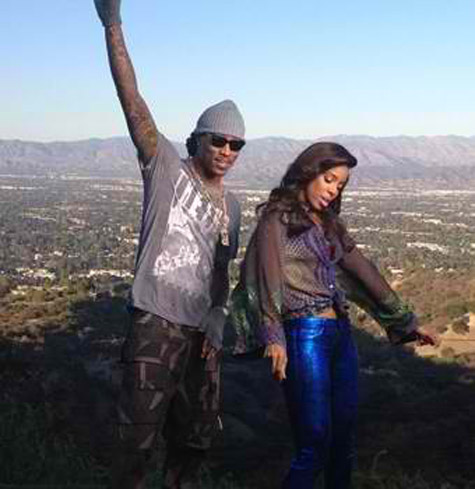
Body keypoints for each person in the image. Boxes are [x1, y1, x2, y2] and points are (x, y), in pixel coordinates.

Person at [93, 1, 246, 488]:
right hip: (155, 325)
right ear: (196, 139)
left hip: (203, 339)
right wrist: (112, 24)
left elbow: (222, 270)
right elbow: (131, 99)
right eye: (218, 140)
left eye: (236, 145)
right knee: (135, 443)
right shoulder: (165, 169)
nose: (226, 150)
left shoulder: (234, 207)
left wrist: (218, 318)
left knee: (194, 443)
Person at [228, 142, 436, 489]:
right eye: (329, 180)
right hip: (304, 334)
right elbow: (268, 277)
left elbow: (365, 272)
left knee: (343, 442)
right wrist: (273, 336)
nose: (333, 190)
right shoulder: (276, 219)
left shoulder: (329, 225)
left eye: (340, 185)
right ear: (308, 172)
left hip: (340, 334)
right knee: (315, 443)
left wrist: (407, 321)